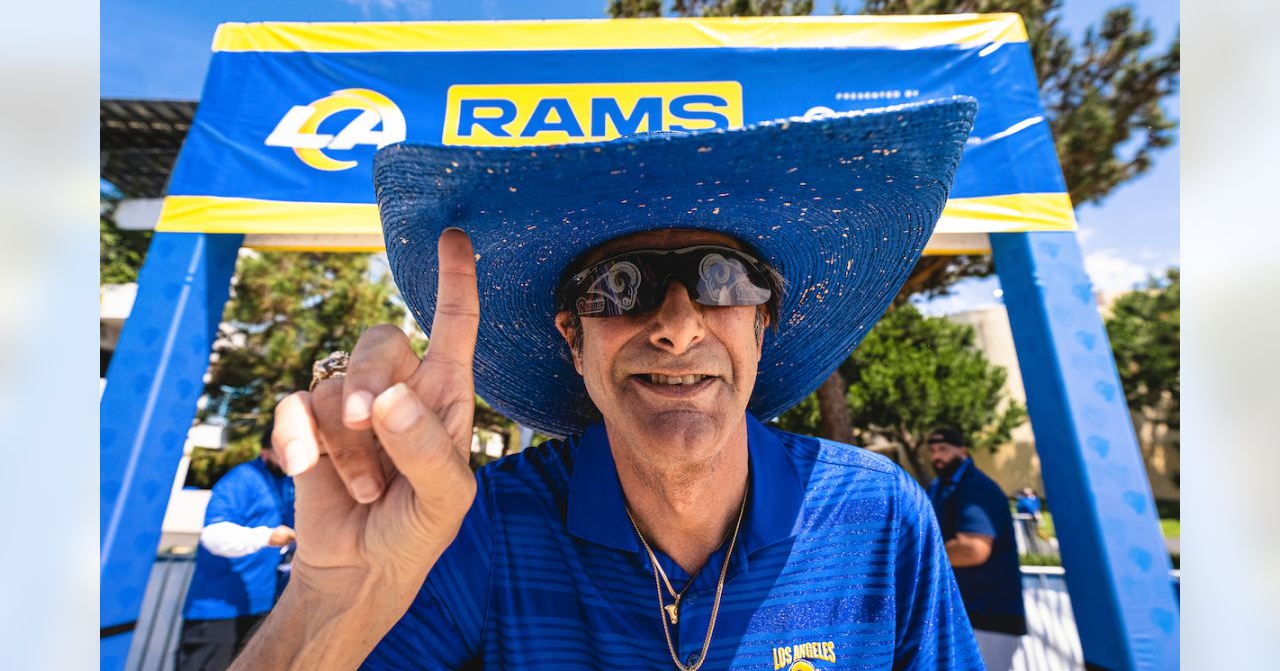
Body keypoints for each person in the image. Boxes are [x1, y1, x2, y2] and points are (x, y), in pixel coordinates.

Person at [235, 98, 985, 669]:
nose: (679, 325)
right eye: (621, 287)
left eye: (723, 279)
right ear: (573, 338)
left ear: (762, 325)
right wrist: (326, 603)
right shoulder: (481, 529)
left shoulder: (879, 515)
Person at [176, 428, 296, 670]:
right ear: (266, 451)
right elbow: (213, 535)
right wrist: (266, 536)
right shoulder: (243, 478)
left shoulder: (288, 483)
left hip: (263, 609)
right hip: (219, 610)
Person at [926, 428, 1028, 670]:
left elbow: (973, 549)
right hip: (964, 615)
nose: (936, 457)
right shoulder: (941, 486)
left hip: (989, 615)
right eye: (932, 451)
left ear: (963, 451)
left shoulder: (975, 487)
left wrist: (919, 557)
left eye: (943, 450)